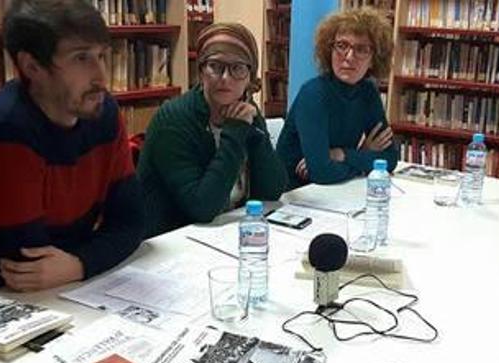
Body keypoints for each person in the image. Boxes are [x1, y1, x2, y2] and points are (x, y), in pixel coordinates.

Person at [0, 0, 145, 294]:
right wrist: (90, 256)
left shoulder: (103, 114)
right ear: (32, 67)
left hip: (65, 288)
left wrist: (78, 263)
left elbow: (133, 223)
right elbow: (28, 266)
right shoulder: (4, 128)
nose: (102, 77)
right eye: (81, 58)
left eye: (102, 55)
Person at [137, 23, 287, 238]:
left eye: (238, 68)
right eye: (215, 66)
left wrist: (254, 132)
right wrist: (235, 133)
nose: (225, 78)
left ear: (249, 77)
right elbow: (202, 207)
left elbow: (272, 191)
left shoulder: (246, 110)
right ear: (200, 71)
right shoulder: (174, 118)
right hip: (173, 241)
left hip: (223, 232)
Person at [276, 7, 398, 187]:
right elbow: (321, 172)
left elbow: (389, 159)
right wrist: (362, 156)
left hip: (336, 191)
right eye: (341, 46)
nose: (348, 57)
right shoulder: (313, 94)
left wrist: (342, 154)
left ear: (374, 58)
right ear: (329, 50)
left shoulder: (368, 92)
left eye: (361, 49)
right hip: (293, 196)